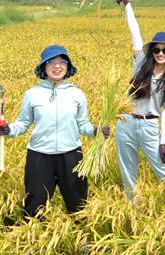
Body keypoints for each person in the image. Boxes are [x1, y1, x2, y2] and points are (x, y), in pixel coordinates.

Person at [0, 45, 101, 217]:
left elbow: (82, 124)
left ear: (67, 67)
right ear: (44, 67)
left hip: (71, 155)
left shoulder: (76, 94)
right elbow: (23, 123)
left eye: (62, 62)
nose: (57, 66)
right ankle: (32, 240)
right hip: (39, 155)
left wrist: (96, 131)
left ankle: (83, 241)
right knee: (35, 202)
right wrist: (8, 129)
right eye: (51, 62)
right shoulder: (32, 94)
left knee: (78, 201)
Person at [113, 0, 165, 200]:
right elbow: (135, 31)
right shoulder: (140, 64)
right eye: (157, 49)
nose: (160, 53)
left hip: (149, 127)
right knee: (128, 172)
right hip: (125, 123)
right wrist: (128, 5)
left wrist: (163, 142)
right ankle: (131, 209)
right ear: (151, 51)